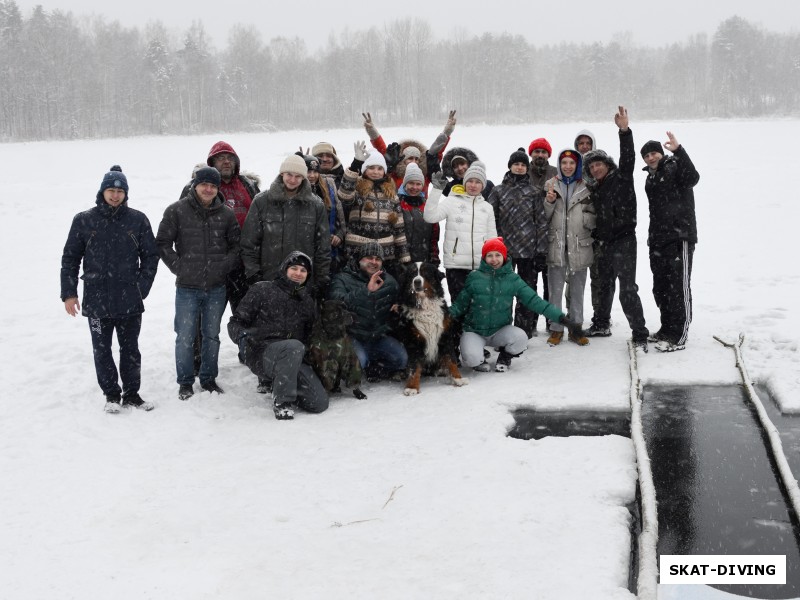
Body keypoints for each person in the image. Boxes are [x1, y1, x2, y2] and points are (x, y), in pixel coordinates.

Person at [61, 166, 159, 413]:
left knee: (130, 349)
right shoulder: (84, 220)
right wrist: (69, 293)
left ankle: (132, 394)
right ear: (102, 191)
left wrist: (141, 287)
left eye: (120, 191)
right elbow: (70, 258)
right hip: (96, 299)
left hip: (129, 299)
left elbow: (151, 257)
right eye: (111, 190)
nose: (115, 195)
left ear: (126, 194)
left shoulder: (137, 220)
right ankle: (112, 395)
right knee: (102, 350)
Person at [156, 166, 241, 399]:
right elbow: (162, 243)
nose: (208, 189)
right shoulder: (176, 211)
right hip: (187, 288)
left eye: (213, 186)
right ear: (195, 185)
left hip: (216, 287)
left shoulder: (226, 214)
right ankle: (185, 382)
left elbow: (236, 246)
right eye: (204, 184)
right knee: (184, 336)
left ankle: (208, 379)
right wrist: (179, 267)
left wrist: (224, 266)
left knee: (211, 335)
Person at [449, 237, 582, 372]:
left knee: (521, 338)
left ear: (504, 257)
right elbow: (459, 305)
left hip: (499, 330)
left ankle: (505, 357)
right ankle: (477, 360)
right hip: (475, 331)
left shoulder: (512, 279)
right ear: (484, 258)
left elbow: (534, 301)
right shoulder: (474, 277)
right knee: (471, 358)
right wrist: (441, 316)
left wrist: (561, 318)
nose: (494, 259)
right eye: (489, 256)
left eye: (497, 255)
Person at [228, 251, 329, 420]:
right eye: (294, 268)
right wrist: (244, 338)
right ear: (284, 269)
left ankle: (280, 381)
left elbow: (311, 334)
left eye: (303, 271)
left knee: (319, 403)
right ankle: (283, 402)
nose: (298, 273)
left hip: (293, 356)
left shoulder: (306, 301)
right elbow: (235, 323)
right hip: (262, 352)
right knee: (293, 346)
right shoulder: (262, 289)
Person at [582, 106, 649, 351]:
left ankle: (640, 332)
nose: (595, 169)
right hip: (603, 243)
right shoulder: (596, 189)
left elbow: (628, 156)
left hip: (624, 240)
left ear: (607, 165)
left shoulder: (622, 178)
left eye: (599, 164)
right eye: (591, 167)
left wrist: (624, 131)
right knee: (602, 284)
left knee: (627, 289)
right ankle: (601, 323)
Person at [179, 142, 260, 310]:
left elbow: (262, 218)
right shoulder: (198, 188)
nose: (226, 162)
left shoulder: (248, 185)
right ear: (212, 162)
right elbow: (183, 225)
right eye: (221, 158)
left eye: (230, 158)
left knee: (246, 316)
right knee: (206, 320)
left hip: (243, 263)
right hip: (212, 264)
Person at [641, 132, 700, 352]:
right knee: (662, 287)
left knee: (679, 287)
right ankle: (666, 329)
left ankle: (679, 336)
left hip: (679, 238)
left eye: (654, 153)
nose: (651, 158)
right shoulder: (650, 177)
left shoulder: (675, 167)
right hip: (658, 240)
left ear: (661, 153)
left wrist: (678, 150)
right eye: (646, 155)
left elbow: (693, 178)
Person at [240, 154, 331, 294]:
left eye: (298, 176)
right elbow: (249, 243)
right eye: (289, 174)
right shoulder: (261, 201)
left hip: (302, 283)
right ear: (282, 173)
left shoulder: (316, 205)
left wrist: (321, 279)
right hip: (269, 280)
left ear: (303, 178)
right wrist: (253, 274)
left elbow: (323, 247)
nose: (293, 180)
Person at [487, 148, 548, 338]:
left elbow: (541, 222)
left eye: (523, 165)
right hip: (503, 252)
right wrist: (492, 246)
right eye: (516, 164)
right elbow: (490, 218)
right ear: (510, 166)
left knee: (526, 291)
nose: (520, 167)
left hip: (528, 250)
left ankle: (524, 329)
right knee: (501, 292)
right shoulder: (498, 190)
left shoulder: (534, 192)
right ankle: (500, 328)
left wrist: (541, 251)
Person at [328, 242, 408, 381]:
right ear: (359, 260)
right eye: (369, 258)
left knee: (401, 359)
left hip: (378, 337)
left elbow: (401, 301)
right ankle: (357, 367)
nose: (374, 262)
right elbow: (336, 303)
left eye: (378, 259)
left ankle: (373, 369)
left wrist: (399, 306)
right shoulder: (342, 278)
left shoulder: (389, 282)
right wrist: (366, 290)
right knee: (359, 362)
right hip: (352, 337)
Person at [424, 160, 497, 303]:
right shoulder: (452, 201)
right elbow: (430, 216)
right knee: (459, 306)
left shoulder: (487, 207)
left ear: (483, 185)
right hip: (456, 265)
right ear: (464, 182)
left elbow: (492, 238)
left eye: (477, 182)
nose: (473, 185)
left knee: (479, 306)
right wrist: (437, 190)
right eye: (470, 181)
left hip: (481, 266)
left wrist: (493, 261)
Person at [543, 149, 594, 346]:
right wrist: (548, 202)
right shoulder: (550, 185)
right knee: (555, 290)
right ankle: (556, 329)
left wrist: (584, 218)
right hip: (556, 245)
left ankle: (576, 328)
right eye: (564, 163)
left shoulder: (586, 186)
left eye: (571, 163)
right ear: (559, 164)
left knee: (578, 291)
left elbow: (594, 215)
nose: (567, 166)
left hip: (579, 246)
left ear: (577, 165)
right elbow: (543, 217)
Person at [337, 143, 410, 275]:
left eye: (379, 168)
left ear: (384, 171)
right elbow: (344, 195)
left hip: (384, 254)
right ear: (364, 170)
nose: (376, 172)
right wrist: (356, 164)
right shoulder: (358, 189)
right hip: (357, 252)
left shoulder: (391, 195)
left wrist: (404, 257)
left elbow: (399, 228)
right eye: (371, 168)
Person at [362, 110, 455, 196]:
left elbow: (436, 151)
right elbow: (382, 150)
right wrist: (372, 131)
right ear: (403, 160)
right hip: (398, 212)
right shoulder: (395, 173)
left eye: (416, 159)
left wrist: (447, 131)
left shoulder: (424, 174)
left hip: (421, 212)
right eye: (410, 158)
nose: (413, 161)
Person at [299, 151, 347, 275]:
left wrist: (340, 234)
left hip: (328, 249)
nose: (312, 175)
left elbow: (339, 215)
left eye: (315, 172)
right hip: (304, 248)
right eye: (308, 172)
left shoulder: (327, 188)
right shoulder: (296, 192)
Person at [397, 162, 440, 265]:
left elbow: (434, 236)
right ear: (405, 184)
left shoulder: (428, 206)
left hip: (423, 260)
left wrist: (434, 256)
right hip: (400, 260)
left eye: (418, 184)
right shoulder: (397, 203)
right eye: (411, 183)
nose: (414, 187)